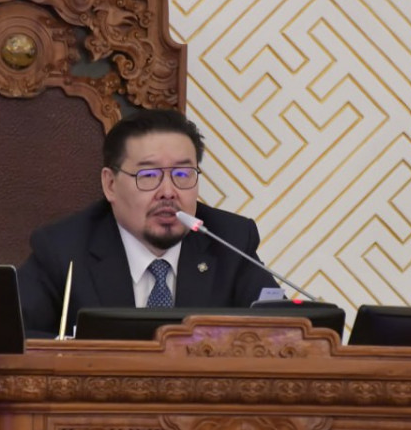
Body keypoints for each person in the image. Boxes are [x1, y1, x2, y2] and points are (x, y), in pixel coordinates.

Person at [17, 108, 277, 336]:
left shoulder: (230, 242)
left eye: (182, 174)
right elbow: (12, 338)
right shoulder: (63, 249)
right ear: (110, 185)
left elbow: (281, 332)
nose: (168, 192)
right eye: (149, 175)